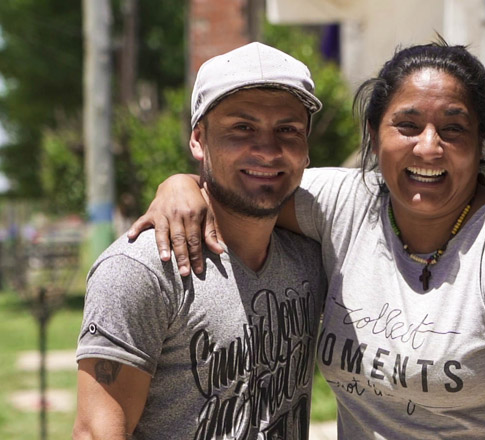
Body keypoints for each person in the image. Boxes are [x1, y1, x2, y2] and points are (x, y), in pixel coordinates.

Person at [129, 40, 485, 439]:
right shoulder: (343, 205)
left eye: (453, 129)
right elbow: (247, 187)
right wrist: (180, 185)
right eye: (407, 125)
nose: (429, 147)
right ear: (373, 137)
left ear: (479, 141)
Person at [72, 42, 329, 440]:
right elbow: (96, 431)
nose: (267, 149)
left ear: (307, 147)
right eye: (242, 128)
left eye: (288, 129)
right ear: (198, 140)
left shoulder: (310, 255)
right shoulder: (143, 269)